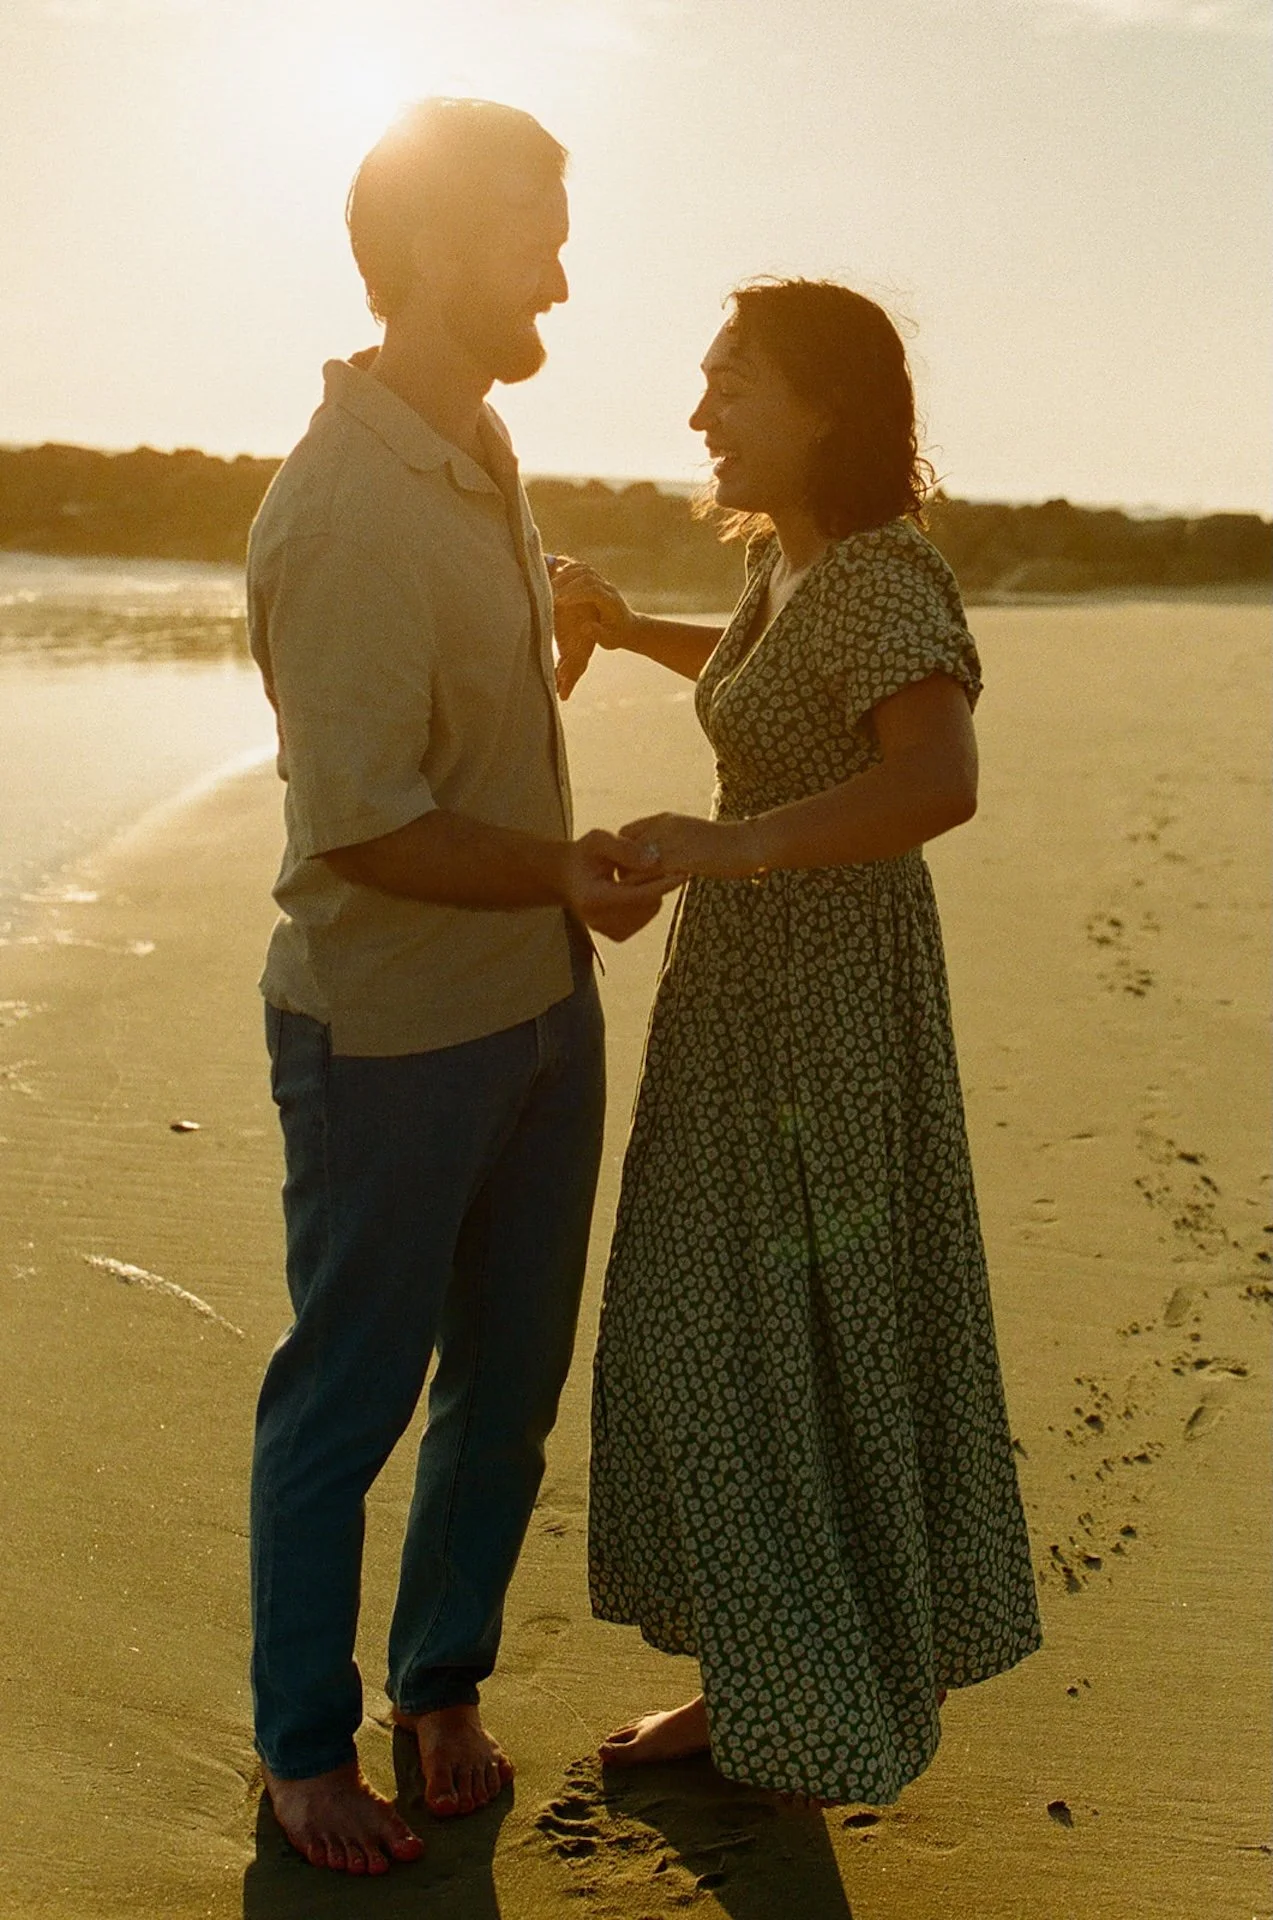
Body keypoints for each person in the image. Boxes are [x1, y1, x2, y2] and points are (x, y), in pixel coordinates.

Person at [245, 98, 678, 1877]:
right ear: (426, 250)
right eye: (530, 233)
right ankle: (297, 1747)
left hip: (538, 1004)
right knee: (349, 1397)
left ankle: (440, 1686)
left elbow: (467, 751)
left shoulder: (482, 449)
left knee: (503, 1387)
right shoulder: (341, 503)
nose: (561, 273)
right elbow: (364, 830)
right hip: (391, 1030)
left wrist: (558, 656)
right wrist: (565, 870)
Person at [552, 278, 1042, 1807]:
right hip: (748, 996)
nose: (700, 413)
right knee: (725, 1328)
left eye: (732, 383)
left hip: (829, 1013)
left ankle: (817, 1704)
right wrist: (631, 631)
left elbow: (937, 782)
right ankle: (757, 1674)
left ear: (825, 405)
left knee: (796, 1330)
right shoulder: (797, 568)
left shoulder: (889, 575)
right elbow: (770, 681)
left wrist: (729, 845)